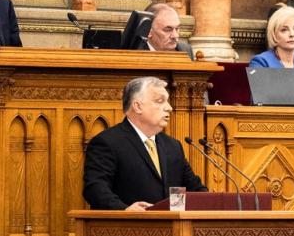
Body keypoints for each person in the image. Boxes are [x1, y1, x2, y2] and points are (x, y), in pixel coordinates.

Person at [82, 76, 207, 211]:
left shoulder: (173, 146)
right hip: (127, 228)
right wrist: (125, 210)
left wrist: (213, 203)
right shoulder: (108, 142)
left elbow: (194, 189)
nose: (169, 108)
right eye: (160, 101)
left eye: (168, 101)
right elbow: (95, 189)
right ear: (137, 106)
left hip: (172, 228)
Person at [249, 5, 294, 95]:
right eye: (284, 30)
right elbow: (262, 98)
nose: (292, 34)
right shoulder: (261, 62)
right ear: (274, 35)